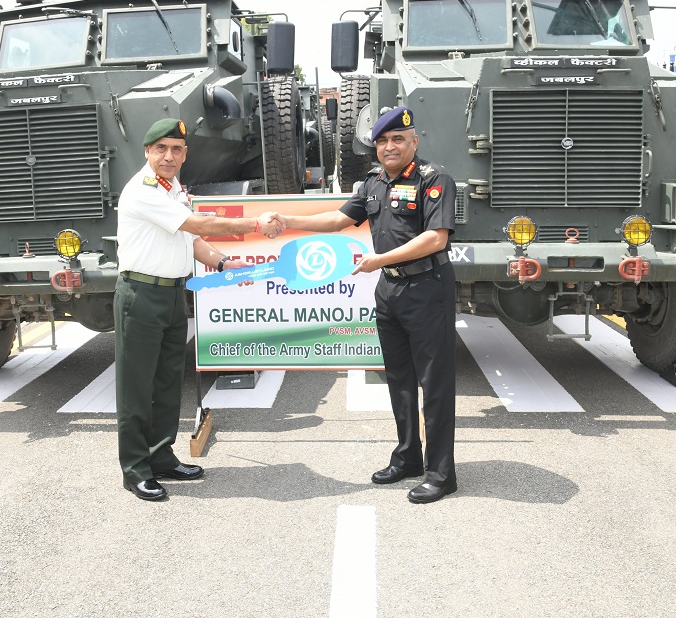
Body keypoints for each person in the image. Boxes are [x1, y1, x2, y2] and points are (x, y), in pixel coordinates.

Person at [274, 106, 459, 504]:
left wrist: (378, 261)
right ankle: (408, 456)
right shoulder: (373, 182)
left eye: (397, 140)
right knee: (399, 380)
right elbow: (337, 220)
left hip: (428, 287)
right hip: (389, 292)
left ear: (413, 142)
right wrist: (287, 219)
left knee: (436, 384)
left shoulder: (434, 178)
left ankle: (441, 473)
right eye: (382, 141)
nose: (389, 147)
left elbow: (435, 238)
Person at [115, 118, 280, 501]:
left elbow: (192, 239)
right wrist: (256, 223)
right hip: (140, 295)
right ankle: (136, 469)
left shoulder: (173, 190)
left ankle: (161, 457)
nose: (169, 156)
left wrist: (223, 264)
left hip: (173, 294)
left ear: (185, 154)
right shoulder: (143, 191)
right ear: (147, 152)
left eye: (176, 149)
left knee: (167, 382)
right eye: (161, 149)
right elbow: (198, 222)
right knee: (136, 387)